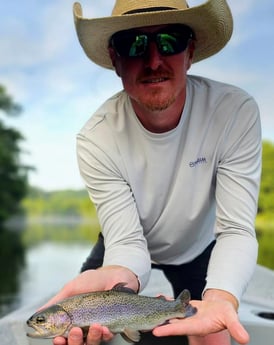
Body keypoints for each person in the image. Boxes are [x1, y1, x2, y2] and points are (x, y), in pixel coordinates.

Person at [43, 0, 262, 344]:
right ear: (116, 60)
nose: (154, 60)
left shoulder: (235, 112)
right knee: (85, 333)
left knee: (214, 332)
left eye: (171, 40)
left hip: (199, 247)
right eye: (135, 44)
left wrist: (220, 298)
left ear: (190, 51)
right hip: (124, 246)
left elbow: (236, 228)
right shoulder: (96, 137)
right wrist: (119, 275)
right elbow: (128, 243)